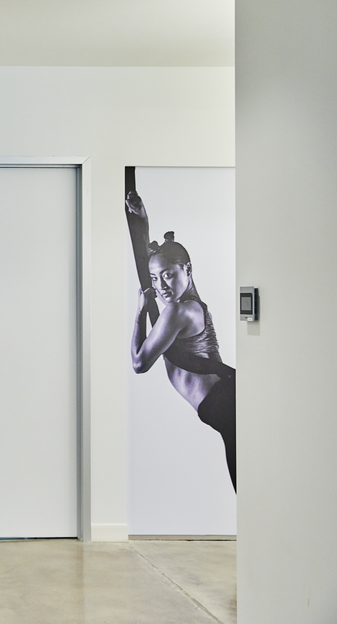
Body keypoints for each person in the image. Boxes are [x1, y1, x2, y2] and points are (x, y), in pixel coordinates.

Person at [127, 190, 236, 491]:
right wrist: (142, 221)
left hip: (226, 403)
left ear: (186, 270)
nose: (160, 286)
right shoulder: (191, 300)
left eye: (168, 276)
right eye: (154, 279)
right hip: (225, 402)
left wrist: (139, 313)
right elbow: (153, 260)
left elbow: (139, 362)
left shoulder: (177, 311)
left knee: (249, 486)